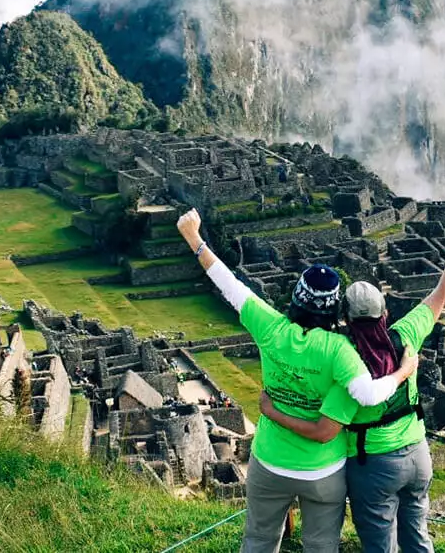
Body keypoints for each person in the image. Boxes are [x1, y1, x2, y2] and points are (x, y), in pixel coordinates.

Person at [176, 209, 418, 553]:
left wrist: (194, 238)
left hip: (270, 461)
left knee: (258, 540)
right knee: (321, 546)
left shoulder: (271, 328)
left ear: (296, 299)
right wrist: (402, 372)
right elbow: (368, 394)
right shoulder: (341, 350)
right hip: (322, 470)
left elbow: (228, 283)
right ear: (335, 311)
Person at [259, 202, 445, 553]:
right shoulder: (405, 335)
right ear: (385, 311)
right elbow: (443, 294)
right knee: (418, 536)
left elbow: (321, 417)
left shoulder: (344, 357)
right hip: (418, 455)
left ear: (344, 316)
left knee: (381, 546)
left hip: (374, 463)